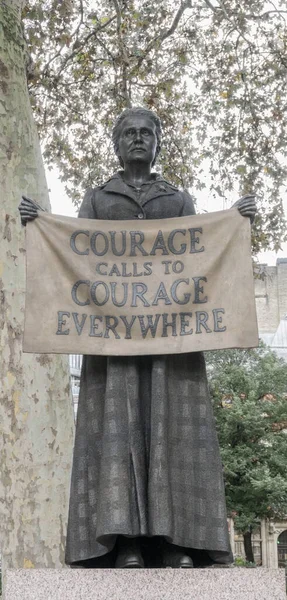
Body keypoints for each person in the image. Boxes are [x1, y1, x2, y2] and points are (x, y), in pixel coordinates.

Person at [19, 107, 256, 569]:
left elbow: (203, 249)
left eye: (147, 132)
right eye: (129, 133)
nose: (138, 139)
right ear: (116, 143)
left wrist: (235, 217)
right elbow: (74, 251)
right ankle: (123, 541)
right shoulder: (98, 198)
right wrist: (42, 222)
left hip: (173, 342)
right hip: (113, 346)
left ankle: (176, 540)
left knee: (174, 435)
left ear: (158, 142)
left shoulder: (178, 199)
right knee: (119, 432)